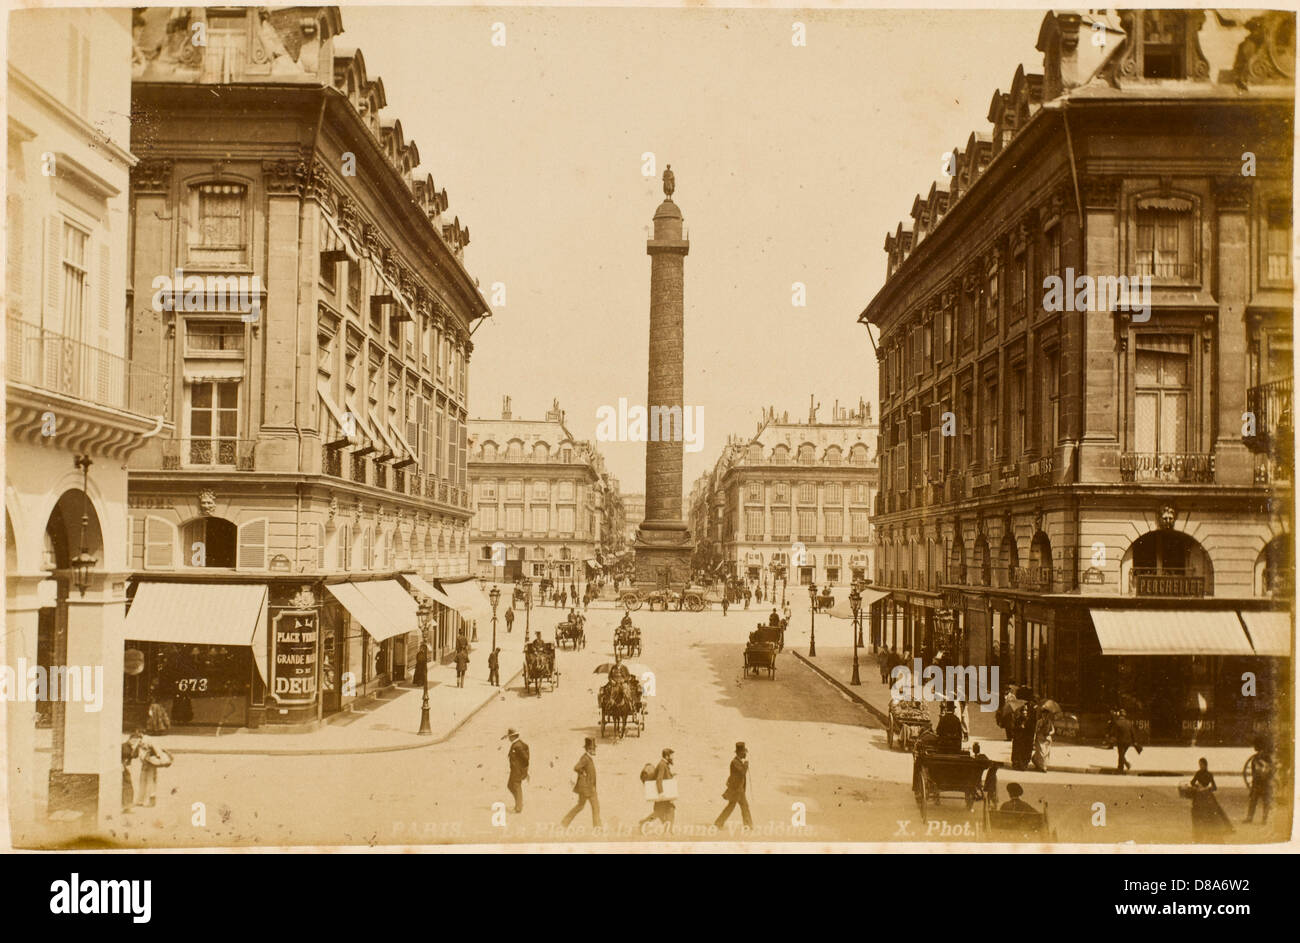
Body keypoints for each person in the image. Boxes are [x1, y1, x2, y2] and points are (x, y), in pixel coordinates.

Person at [1187, 757, 1234, 841]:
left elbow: (1214, 787)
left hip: (1205, 795)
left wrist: (1206, 788)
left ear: (1205, 765)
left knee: (1209, 813)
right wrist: (1198, 786)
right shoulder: (1199, 773)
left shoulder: (1208, 774)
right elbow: (1192, 782)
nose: (1200, 766)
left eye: (1201, 765)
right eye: (1200, 765)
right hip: (1202, 794)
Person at [560, 737, 601, 828]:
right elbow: (576, 767)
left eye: (594, 748)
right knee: (595, 807)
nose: (593, 750)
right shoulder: (585, 758)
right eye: (591, 748)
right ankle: (597, 827)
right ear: (587, 749)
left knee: (580, 806)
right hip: (588, 788)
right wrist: (583, 773)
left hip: (586, 788)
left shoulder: (588, 758)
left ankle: (564, 823)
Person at [714, 742, 753, 829]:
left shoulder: (738, 762)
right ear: (739, 753)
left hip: (739, 789)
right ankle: (748, 826)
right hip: (736, 790)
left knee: (740, 806)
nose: (745, 754)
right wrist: (746, 763)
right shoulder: (735, 762)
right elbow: (742, 772)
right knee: (737, 806)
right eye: (744, 752)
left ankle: (718, 823)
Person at [640, 748, 676, 834]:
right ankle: (668, 831)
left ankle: (644, 823)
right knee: (669, 810)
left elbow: (663, 777)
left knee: (660, 812)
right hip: (662, 795)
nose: (673, 758)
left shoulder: (664, 764)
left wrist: (672, 775)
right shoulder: (662, 765)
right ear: (667, 756)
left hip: (664, 795)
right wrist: (661, 793)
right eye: (671, 756)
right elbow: (659, 779)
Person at [1244, 741, 1275, 824]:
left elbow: (1271, 770)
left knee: (1264, 801)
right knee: (1254, 801)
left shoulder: (1265, 758)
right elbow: (1254, 771)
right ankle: (1251, 818)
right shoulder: (1256, 758)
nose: (1261, 752)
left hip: (1264, 782)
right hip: (1258, 782)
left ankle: (1263, 819)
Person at [1107, 708, 1141, 774]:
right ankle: (1123, 766)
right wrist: (1135, 742)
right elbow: (1133, 733)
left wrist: (1111, 740)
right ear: (1125, 715)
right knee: (1122, 754)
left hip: (1120, 742)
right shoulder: (1129, 722)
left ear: (1119, 715)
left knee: (1121, 754)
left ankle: (1122, 767)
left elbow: (1114, 732)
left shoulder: (1117, 723)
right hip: (1128, 742)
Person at [503, 728, 529, 813]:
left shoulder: (518, 746)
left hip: (517, 770)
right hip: (514, 770)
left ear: (513, 737)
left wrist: (524, 770)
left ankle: (518, 807)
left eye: (510, 737)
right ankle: (519, 802)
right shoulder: (517, 744)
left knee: (516, 786)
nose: (509, 739)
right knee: (510, 785)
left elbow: (525, 759)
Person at [1010, 699, 1035, 771]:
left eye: (1026, 712)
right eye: (1023, 711)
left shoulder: (1029, 721)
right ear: (1021, 713)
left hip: (1026, 739)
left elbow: (1032, 730)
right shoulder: (1018, 720)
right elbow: (1013, 728)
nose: (1025, 713)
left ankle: (1024, 765)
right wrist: (1019, 727)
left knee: (1025, 752)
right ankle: (1016, 764)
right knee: (1017, 752)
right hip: (1018, 739)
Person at [1031, 707, 1055, 772]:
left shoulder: (1049, 722)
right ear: (1042, 714)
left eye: (1046, 714)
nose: (1045, 715)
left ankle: (1043, 766)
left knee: (1046, 754)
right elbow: (1036, 730)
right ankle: (1041, 766)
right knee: (1041, 753)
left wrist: (1049, 733)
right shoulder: (1039, 721)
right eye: (1044, 714)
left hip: (1047, 740)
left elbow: (1053, 730)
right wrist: (1039, 729)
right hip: (1040, 739)